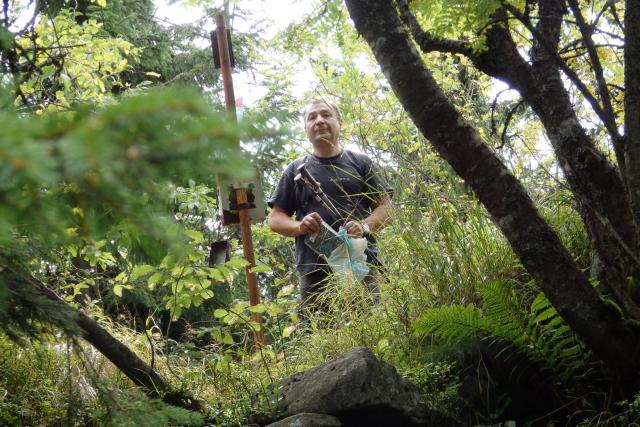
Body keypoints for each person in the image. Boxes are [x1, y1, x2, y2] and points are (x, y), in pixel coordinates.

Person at [267, 98, 392, 316]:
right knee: (319, 333)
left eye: (326, 115)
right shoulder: (294, 169)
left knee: (373, 327)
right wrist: (300, 226)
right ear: (306, 129)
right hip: (315, 271)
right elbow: (275, 218)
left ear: (340, 123)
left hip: (361, 265)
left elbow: (387, 208)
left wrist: (363, 226)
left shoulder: (361, 163)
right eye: (312, 117)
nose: (319, 121)